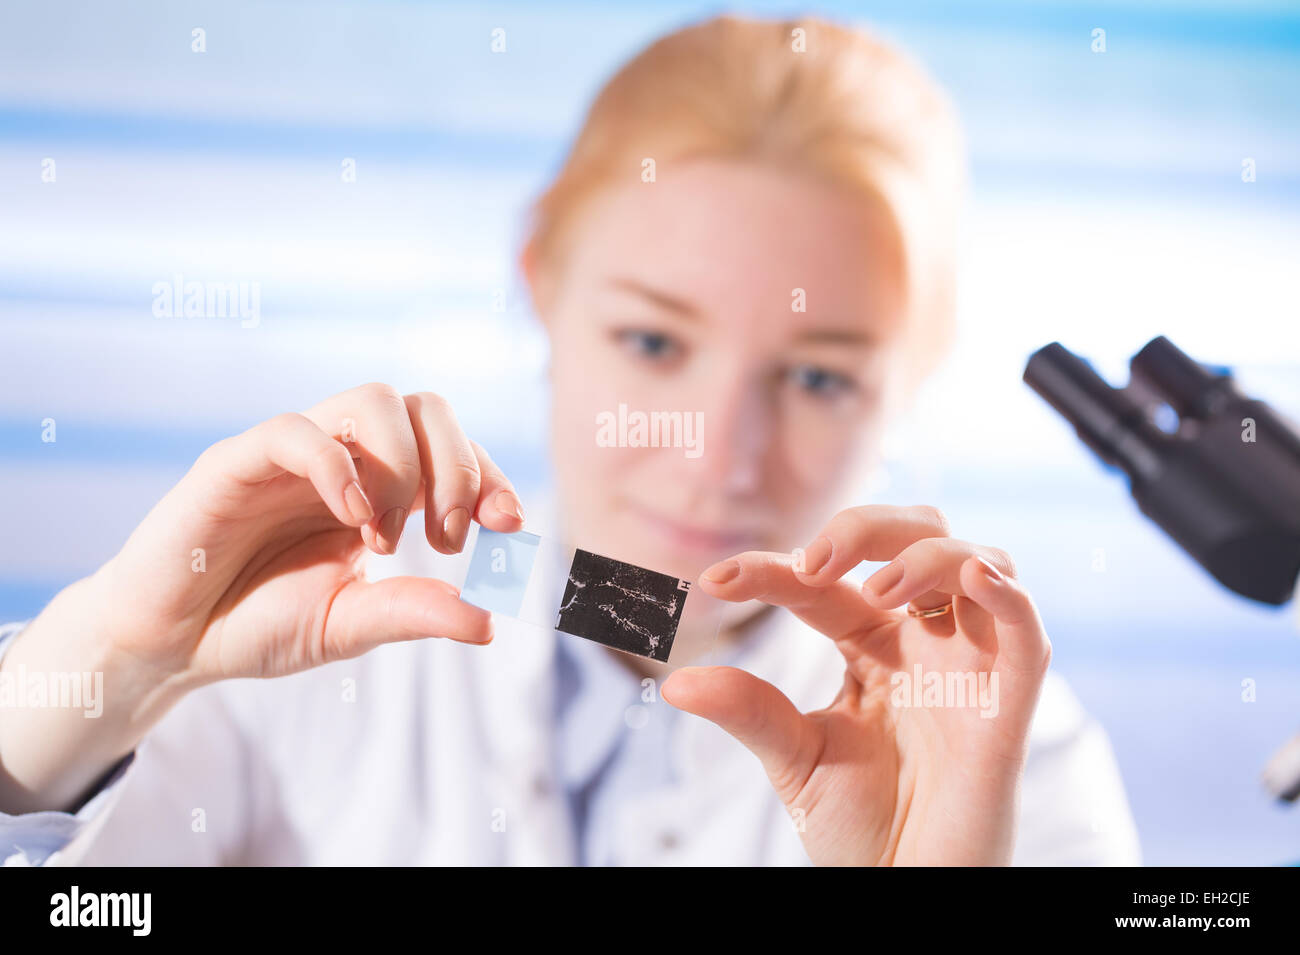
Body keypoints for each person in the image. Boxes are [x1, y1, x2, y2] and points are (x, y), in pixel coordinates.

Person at [0, 13, 1139, 865]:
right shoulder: (308, 630)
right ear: (541, 287)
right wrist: (106, 665)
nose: (716, 456)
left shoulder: (1000, 753)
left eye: (816, 376)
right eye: (651, 343)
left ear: (915, 374)